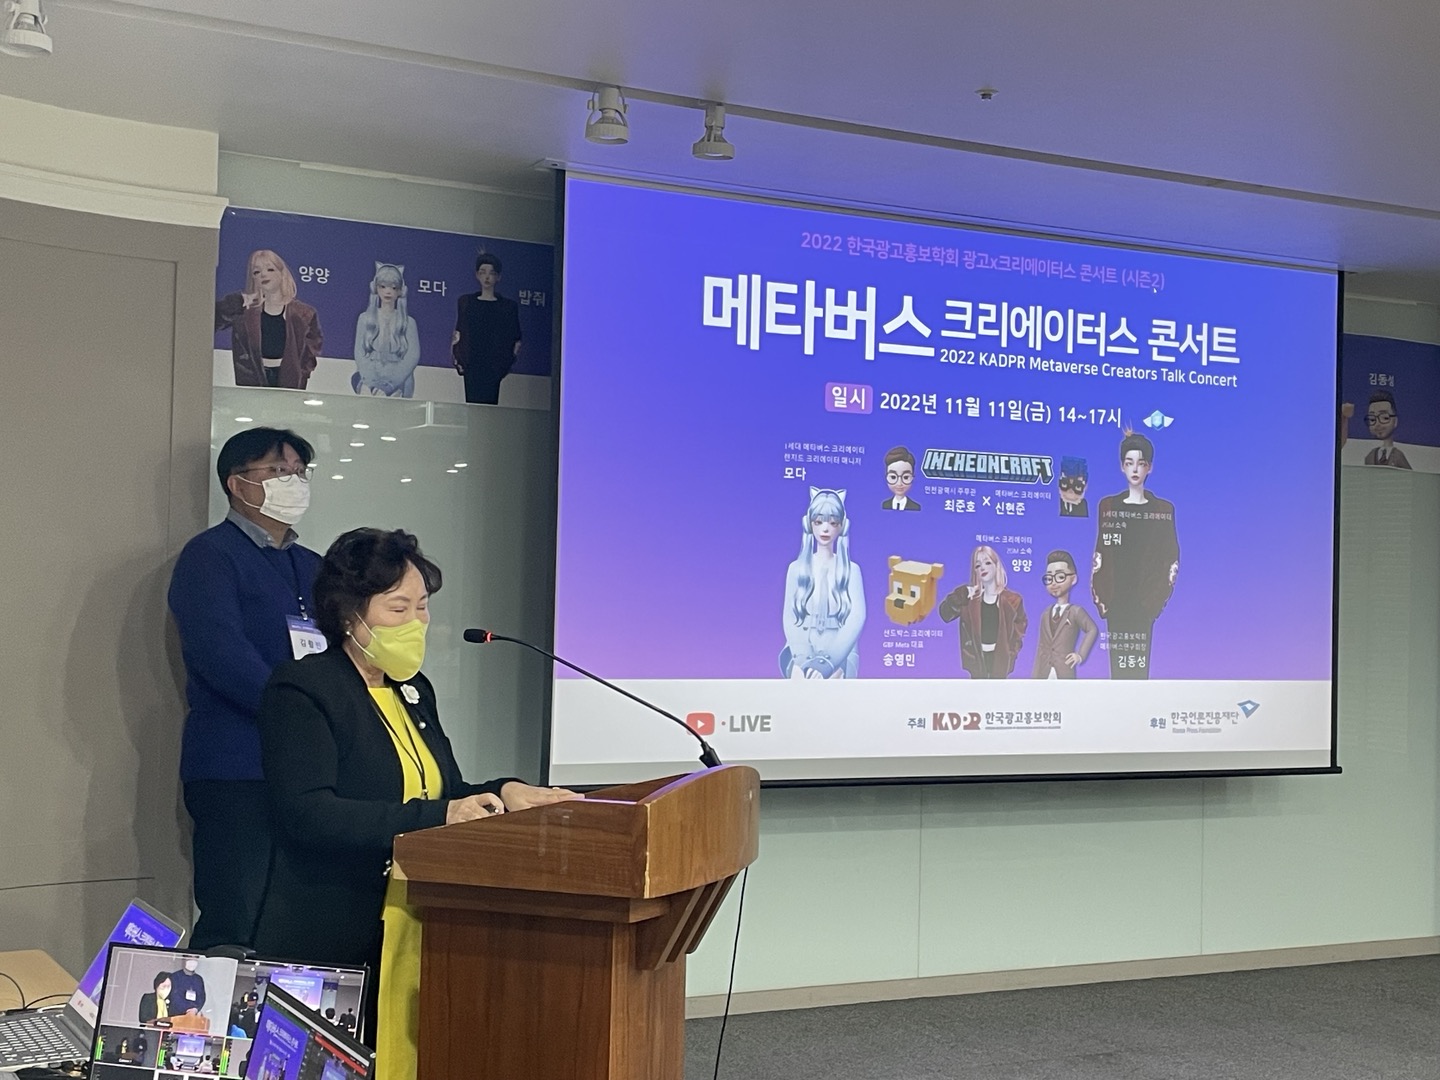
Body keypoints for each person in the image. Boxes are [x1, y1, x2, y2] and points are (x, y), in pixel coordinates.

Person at [251, 528, 579, 1080]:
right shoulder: (303, 688)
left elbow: (441, 791)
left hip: (420, 919)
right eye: (398, 608)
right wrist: (440, 816)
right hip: (333, 928)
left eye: (422, 606)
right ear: (349, 615)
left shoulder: (413, 689)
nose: (418, 622)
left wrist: (504, 790)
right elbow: (308, 813)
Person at [168, 427, 324, 950]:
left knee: (296, 919)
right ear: (237, 484)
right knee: (237, 915)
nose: (292, 482)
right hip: (236, 767)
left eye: (299, 472)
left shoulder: (312, 565)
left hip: (306, 769)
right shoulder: (210, 556)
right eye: (278, 471)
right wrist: (298, 710)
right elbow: (220, 655)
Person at [1091, 431, 1179, 679]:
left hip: (1145, 600)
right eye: (1129, 463)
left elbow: (1171, 557)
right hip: (1115, 598)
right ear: (1122, 466)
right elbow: (1100, 553)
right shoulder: (1108, 506)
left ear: (1149, 467)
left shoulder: (1163, 509)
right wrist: (1102, 598)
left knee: (1139, 670)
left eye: (1141, 463)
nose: (1135, 469)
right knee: (1118, 671)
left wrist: (1154, 601)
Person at [780, 488, 866, 678]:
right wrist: (803, 661)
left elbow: (856, 620)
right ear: (809, 524)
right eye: (818, 522)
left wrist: (827, 663)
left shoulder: (852, 571)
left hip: (841, 654)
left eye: (833, 523)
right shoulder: (796, 569)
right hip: (799, 650)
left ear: (842, 526)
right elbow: (790, 619)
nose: (825, 529)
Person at [215, 249, 324, 389]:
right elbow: (212, 319)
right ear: (253, 279)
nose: (263, 274)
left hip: (289, 383)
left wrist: (302, 376)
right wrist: (238, 300)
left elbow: (312, 349)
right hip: (252, 382)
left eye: (270, 269)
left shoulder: (304, 313)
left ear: (282, 274)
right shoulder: (243, 311)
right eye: (256, 272)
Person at [938, 545, 1028, 678]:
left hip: (1001, 660)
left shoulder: (1013, 600)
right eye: (977, 565)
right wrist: (960, 595)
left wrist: (1012, 653)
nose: (982, 568)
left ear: (996, 565)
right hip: (975, 660)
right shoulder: (969, 599)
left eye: (987, 563)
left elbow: (1020, 629)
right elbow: (945, 615)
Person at [451, 251, 522, 405]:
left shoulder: (508, 307)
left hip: (494, 366)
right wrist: (459, 360)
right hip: (471, 364)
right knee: (472, 406)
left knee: (491, 405)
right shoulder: (466, 302)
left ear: (498, 277)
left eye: (492, 273)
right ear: (477, 275)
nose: (487, 277)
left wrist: (504, 366)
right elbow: (459, 334)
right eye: (483, 272)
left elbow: (515, 338)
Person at [352, 262, 421, 398]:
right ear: (376, 288)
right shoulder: (365, 319)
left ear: (400, 291)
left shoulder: (409, 323)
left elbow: (411, 358)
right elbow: (360, 354)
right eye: (383, 286)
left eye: (393, 287)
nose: (388, 292)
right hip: (369, 382)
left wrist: (389, 385)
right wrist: (372, 384)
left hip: (399, 384)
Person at [1030, 550, 1098, 679]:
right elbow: (1041, 647)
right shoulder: (1046, 613)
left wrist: (1080, 655)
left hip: (1064, 670)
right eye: (1049, 578)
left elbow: (1092, 629)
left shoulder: (1075, 611)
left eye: (1060, 577)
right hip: (1043, 672)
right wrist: (1034, 678)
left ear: (1073, 579)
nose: (1053, 583)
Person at [1362, 390, 1412, 468]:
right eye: (1372, 419)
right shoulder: (1370, 456)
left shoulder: (1398, 456)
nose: (1378, 424)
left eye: (1385, 418)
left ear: (1395, 421)